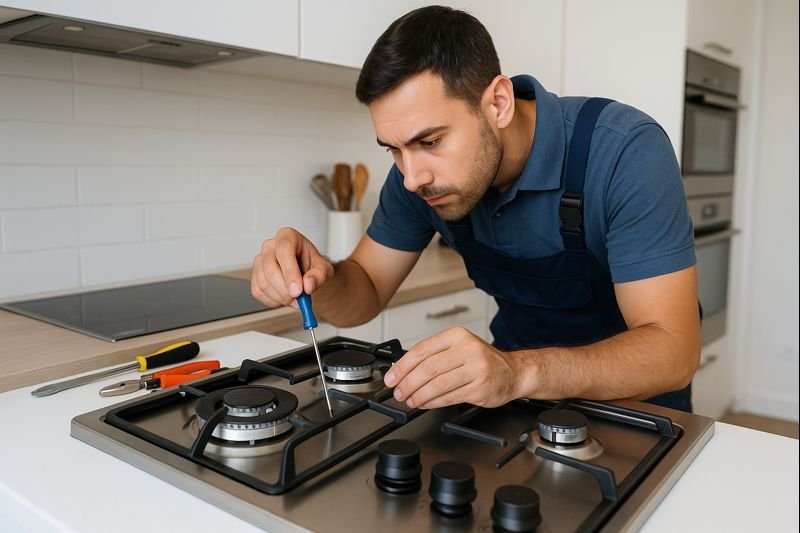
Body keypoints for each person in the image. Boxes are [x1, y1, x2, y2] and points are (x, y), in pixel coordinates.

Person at [251, 6, 700, 413]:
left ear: (498, 103)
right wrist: (318, 279)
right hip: (513, 403)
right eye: (393, 149)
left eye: (430, 141)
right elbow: (365, 290)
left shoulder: (623, 151)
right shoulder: (420, 180)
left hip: (639, 410)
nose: (411, 177)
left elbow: (673, 351)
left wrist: (517, 372)